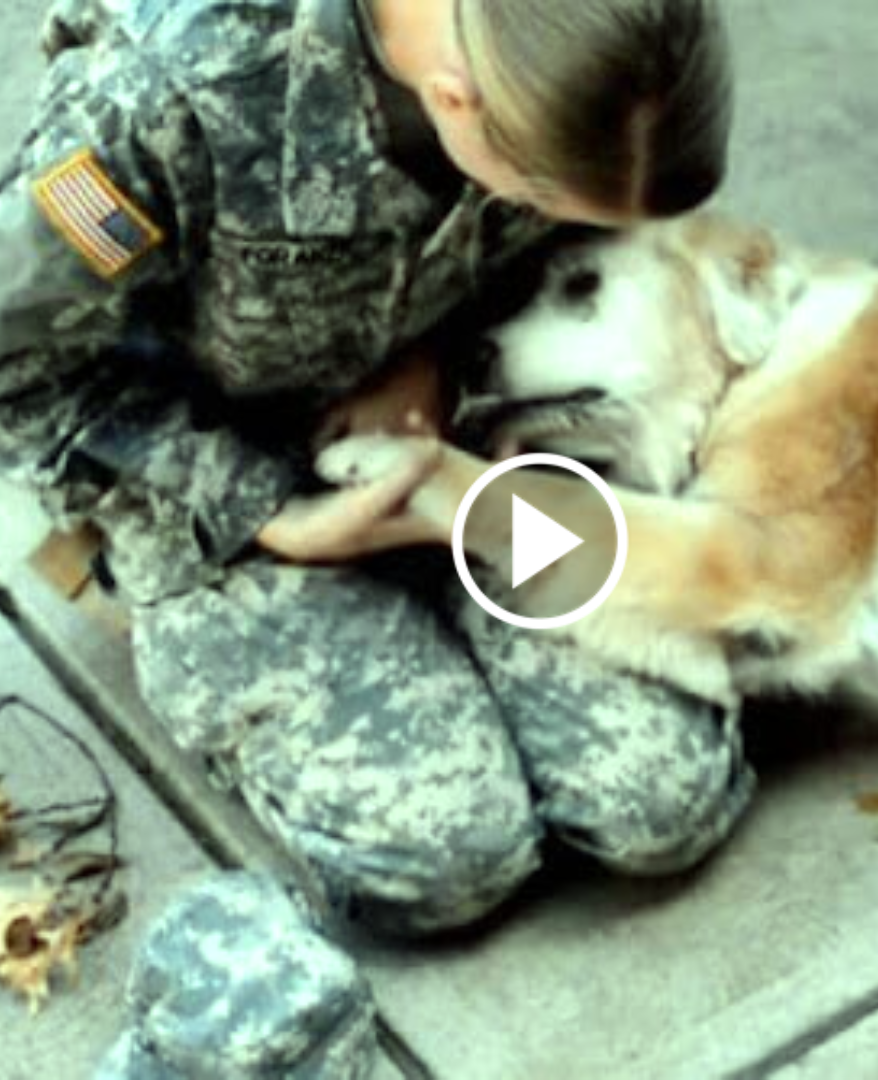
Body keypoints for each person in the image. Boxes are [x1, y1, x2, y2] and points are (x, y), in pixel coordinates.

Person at [0, 0, 753, 939]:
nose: (542, 218)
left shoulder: (597, 48)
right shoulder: (167, 99)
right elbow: (15, 361)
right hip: (224, 478)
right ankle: (162, 604)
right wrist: (268, 510)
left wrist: (434, 361)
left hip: (468, 426)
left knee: (659, 801)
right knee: (450, 861)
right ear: (454, 98)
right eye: (539, 199)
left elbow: (592, 236)